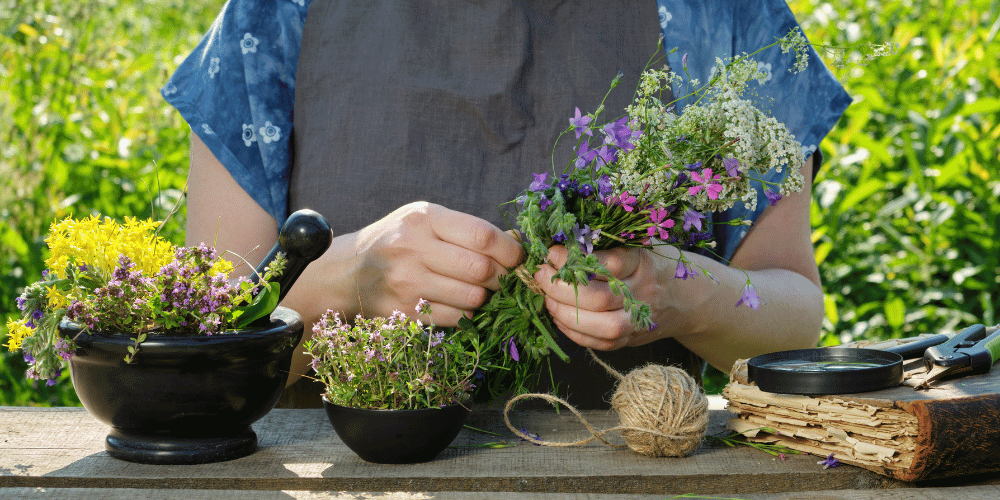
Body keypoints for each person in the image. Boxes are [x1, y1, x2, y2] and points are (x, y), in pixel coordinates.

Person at [165, 0, 851, 408]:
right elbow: (190, 360)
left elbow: (794, 322)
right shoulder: (277, 15)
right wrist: (348, 277)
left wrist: (680, 291)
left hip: (628, 478)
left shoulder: (719, 16)